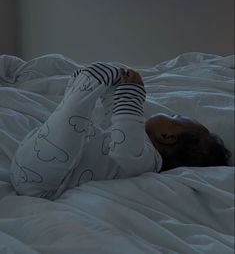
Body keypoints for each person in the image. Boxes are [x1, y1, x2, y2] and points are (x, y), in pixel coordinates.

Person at [10, 63, 231, 201]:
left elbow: (126, 136)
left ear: (168, 137)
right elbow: (115, 120)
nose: (170, 114)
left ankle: (81, 92)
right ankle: (82, 93)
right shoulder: (135, 142)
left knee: (74, 118)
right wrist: (115, 91)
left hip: (44, 179)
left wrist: (133, 94)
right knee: (77, 127)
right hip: (38, 163)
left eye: (174, 118)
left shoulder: (145, 160)